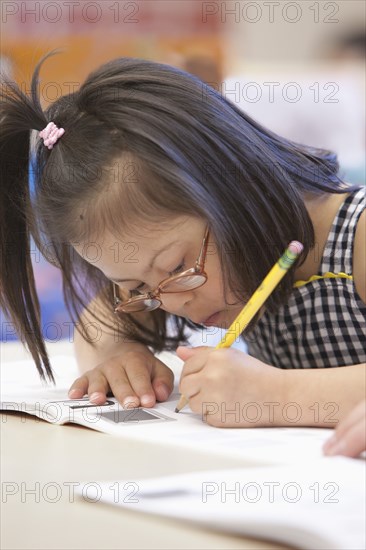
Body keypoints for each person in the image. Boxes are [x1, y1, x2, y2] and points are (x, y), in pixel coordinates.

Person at [1, 54, 365, 429]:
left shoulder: (357, 236)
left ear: (232, 190)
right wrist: (117, 354)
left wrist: (281, 396)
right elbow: (98, 322)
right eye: (138, 286)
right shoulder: (171, 272)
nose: (172, 302)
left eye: (176, 266)